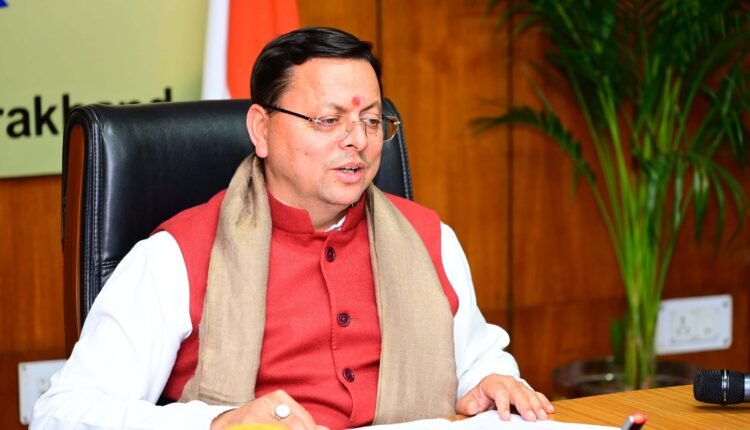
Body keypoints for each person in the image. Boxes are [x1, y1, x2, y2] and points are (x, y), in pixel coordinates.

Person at [32, 27, 554, 430]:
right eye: (329, 120)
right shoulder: (178, 255)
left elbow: (476, 359)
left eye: (372, 121)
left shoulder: (428, 238)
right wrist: (218, 422)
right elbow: (63, 412)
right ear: (261, 129)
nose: (357, 140)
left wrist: (489, 380)